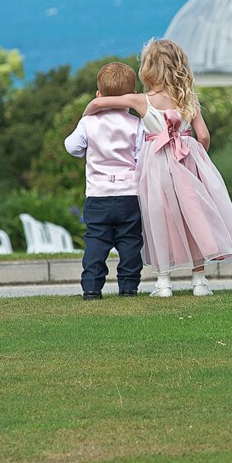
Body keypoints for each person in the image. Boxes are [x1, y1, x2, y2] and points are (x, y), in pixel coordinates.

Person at [83, 39, 232, 298]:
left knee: (158, 218)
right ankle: (199, 280)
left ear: (148, 69)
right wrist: (195, 154)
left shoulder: (141, 101)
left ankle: (163, 281)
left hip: (156, 165)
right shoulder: (188, 98)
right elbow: (204, 136)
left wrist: (88, 115)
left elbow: (99, 104)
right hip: (186, 161)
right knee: (194, 218)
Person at [64, 62, 144, 300]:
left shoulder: (88, 122)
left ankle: (91, 286)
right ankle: (129, 286)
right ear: (132, 96)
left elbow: (71, 147)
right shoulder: (137, 124)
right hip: (129, 193)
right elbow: (141, 157)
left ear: (99, 95)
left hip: (98, 194)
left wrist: (85, 119)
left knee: (96, 241)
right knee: (130, 240)